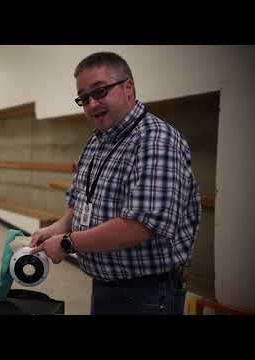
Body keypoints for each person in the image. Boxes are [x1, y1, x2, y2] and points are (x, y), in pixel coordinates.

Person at [30, 52, 202, 314]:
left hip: (147, 294)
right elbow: (80, 202)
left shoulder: (156, 140)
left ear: (128, 88)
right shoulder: (98, 140)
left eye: (99, 92)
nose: (91, 104)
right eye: (84, 98)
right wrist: (55, 229)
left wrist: (66, 243)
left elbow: (139, 227)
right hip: (105, 284)